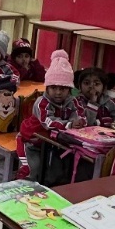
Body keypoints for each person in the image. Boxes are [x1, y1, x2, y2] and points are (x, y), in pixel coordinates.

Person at [25, 50, 87, 182]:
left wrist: (79, 121)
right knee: (34, 171)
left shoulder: (73, 101)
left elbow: (80, 115)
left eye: (63, 88)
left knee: (59, 171)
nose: (58, 92)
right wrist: (69, 124)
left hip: (56, 143)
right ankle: (24, 187)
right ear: (46, 88)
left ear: (70, 89)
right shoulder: (41, 102)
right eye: (53, 88)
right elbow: (47, 122)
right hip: (33, 142)